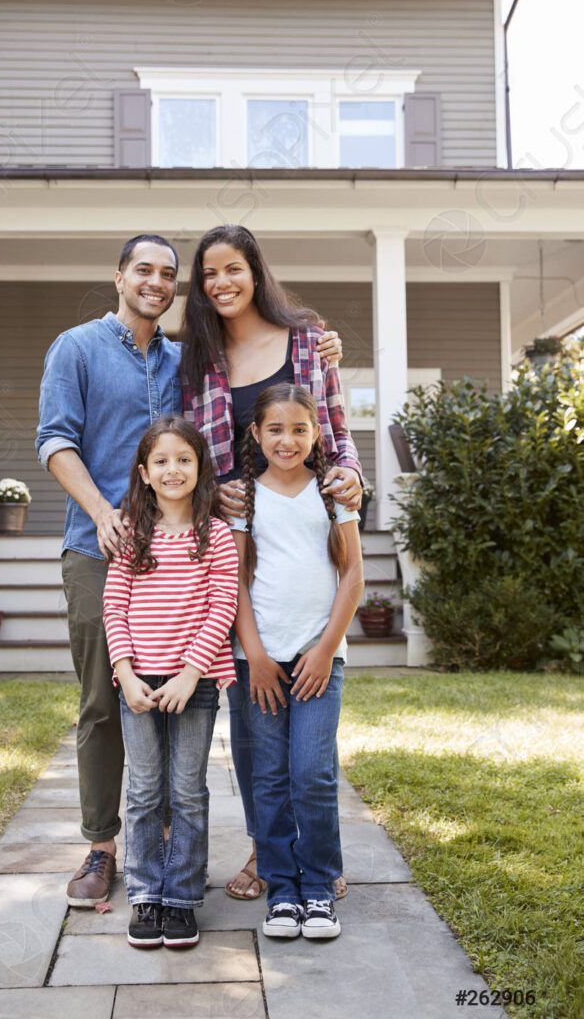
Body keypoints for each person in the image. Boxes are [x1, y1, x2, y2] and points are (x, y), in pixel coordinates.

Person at [35, 233, 343, 907]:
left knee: (185, 694)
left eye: (167, 273)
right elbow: (54, 439)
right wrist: (104, 512)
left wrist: (321, 345)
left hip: (185, 554)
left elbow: (245, 421)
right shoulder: (77, 348)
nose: (154, 280)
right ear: (118, 275)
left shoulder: (188, 358)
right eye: (142, 268)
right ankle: (101, 845)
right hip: (101, 546)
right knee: (105, 699)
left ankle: (169, 840)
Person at [179, 224, 362, 901]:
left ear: (255, 271)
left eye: (233, 269)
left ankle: (317, 855)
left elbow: (337, 432)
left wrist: (348, 481)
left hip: (304, 544)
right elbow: (191, 456)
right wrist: (209, 491)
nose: (222, 283)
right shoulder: (197, 360)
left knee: (309, 747)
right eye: (209, 275)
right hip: (233, 549)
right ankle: (266, 851)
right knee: (254, 727)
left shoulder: (310, 339)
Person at [230, 384, 364, 939]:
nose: (287, 440)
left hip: (318, 660)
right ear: (256, 434)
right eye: (276, 429)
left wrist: (326, 648)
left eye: (300, 429)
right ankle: (282, 890)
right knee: (268, 777)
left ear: (316, 435)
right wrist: (255, 655)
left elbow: (353, 574)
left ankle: (319, 886)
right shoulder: (244, 497)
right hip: (258, 662)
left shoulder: (333, 494)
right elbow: (234, 582)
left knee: (312, 773)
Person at [103, 417, 238, 948]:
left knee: (186, 792)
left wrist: (190, 673)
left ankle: (180, 898)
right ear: (144, 472)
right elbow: (114, 606)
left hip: (194, 684)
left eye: (184, 458)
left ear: (200, 466)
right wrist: (124, 673)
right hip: (137, 681)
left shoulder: (217, 535)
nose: (173, 469)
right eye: (161, 460)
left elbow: (221, 606)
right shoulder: (132, 534)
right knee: (141, 792)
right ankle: (145, 895)